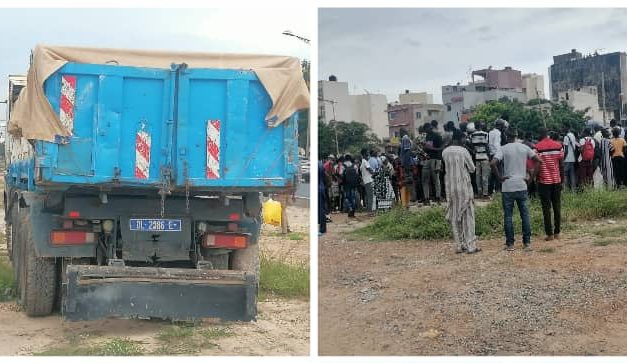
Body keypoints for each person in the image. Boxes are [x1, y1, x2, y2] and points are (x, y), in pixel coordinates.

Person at [491, 128, 542, 251]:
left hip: (508, 186)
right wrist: (530, 179)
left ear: (506, 136)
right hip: (521, 185)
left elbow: (493, 163)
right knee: (525, 215)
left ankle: (510, 244)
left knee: (508, 216)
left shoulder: (503, 148)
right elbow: (539, 161)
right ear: (517, 135)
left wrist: (500, 178)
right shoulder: (524, 148)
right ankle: (527, 243)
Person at [442, 130, 480, 254]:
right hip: (464, 187)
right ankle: (471, 245)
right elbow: (472, 169)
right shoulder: (464, 151)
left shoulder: (445, 152)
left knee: (455, 216)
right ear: (461, 139)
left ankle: (459, 245)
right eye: (464, 139)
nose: (465, 141)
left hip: (450, 187)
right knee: (468, 215)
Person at [535, 128, 564, 241]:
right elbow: (561, 165)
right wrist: (562, 180)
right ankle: (557, 232)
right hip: (556, 180)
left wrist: (535, 178)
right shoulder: (558, 146)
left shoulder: (537, 147)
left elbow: (537, 165)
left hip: (544, 181)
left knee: (546, 208)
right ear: (547, 134)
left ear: (540, 135)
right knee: (557, 206)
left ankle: (549, 234)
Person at [422, 123, 444, 204]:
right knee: (425, 180)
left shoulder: (437, 136)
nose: (425, 131)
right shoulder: (427, 136)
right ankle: (426, 198)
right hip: (427, 159)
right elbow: (428, 148)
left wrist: (432, 148)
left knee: (436, 180)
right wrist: (425, 148)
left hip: (435, 159)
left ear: (429, 128)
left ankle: (438, 197)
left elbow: (442, 148)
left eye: (426, 129)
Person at [469, 122, 490, 199]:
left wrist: (474, 151)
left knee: (478, 176)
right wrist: (489, 157)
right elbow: (487, 146)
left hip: (476, 158)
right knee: (485, 176)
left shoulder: (472, 135)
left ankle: (479, 192)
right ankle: (485, 193)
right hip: (484, 157)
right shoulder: (486, 134)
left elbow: (471, 145)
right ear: (481, 126)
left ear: (475, 126)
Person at [488, 118, 506, 194]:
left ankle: (490, 191)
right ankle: (498, 190)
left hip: (491, 154)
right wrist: (500, 155)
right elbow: (496, 144)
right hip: (497, 155)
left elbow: (488, 144)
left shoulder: (490, 132)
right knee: (499, 173)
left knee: (492, 174)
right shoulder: (498, 133)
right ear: (500, 126)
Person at [360, 149, 376, 216]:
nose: (368, 155)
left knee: (369, 196)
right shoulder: (365, 162)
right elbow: (370, 170)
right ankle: (370, 212)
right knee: (370, 196)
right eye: (367, 153)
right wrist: (375, 172)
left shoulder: (362, 162)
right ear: (364, 154)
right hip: (369, 180)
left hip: (366, 181)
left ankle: (370, 211)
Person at [318, 161, 327, 235]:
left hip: (318, 189)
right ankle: (323, 228)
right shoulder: (321, 164)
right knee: (322, 209)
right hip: (322, 188)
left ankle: (321, 229)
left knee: (320, 209)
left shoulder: (318, 165)